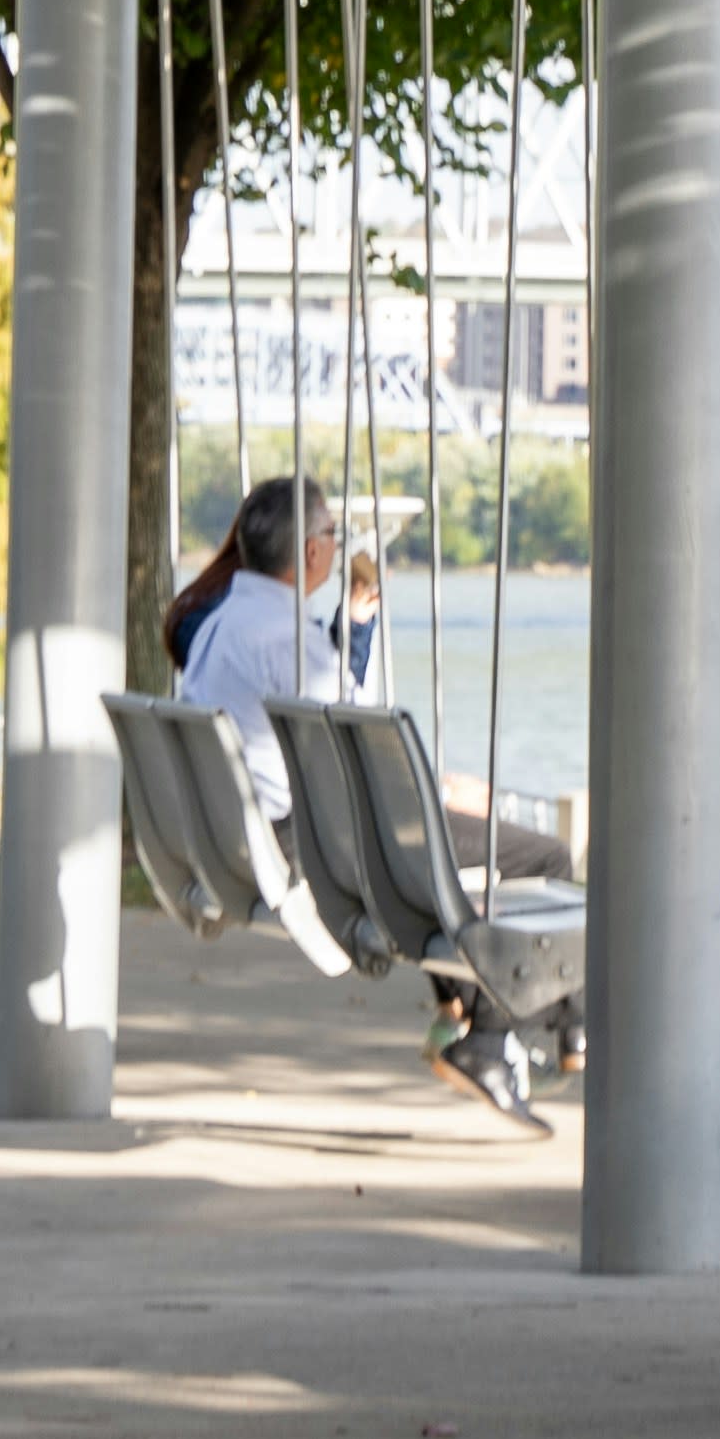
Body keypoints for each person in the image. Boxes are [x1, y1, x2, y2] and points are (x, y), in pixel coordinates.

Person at [167, 473, 543, 1128]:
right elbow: (360, 752)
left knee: (440, 863)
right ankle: (492, 1034)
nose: (339, 548)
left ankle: (488, 1019)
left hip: (242, 834)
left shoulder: (220, 622)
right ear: (312, 551)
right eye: (333, 536)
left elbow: (332, 729)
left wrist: (355, 620)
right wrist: (439, 791)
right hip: (310, 843)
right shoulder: (286, 635)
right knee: (543, 855)